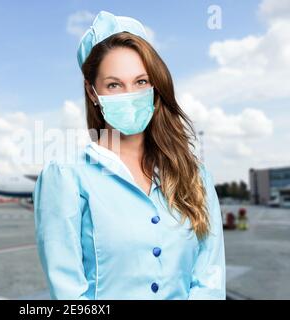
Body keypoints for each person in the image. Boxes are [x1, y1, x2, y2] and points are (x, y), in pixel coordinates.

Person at [33, 10, 226, 300]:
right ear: (93, 93)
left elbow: (209, 278)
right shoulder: (65, 176)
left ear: (155, 87)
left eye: (141, 82)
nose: (130, 94)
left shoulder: (195, 176)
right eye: (114, 85)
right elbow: (68, 293)